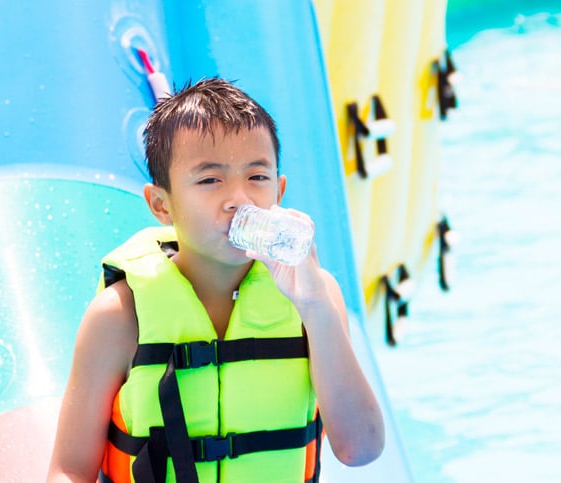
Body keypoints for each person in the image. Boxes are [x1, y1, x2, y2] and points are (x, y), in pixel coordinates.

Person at [47, 78, 384, 483]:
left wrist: (317, 311)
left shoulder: (315, 298)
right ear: (161, 204)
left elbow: (360, 449)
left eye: (257, 178)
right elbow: (69, 469)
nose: (238, 198)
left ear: (279, 191)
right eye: (210, 180)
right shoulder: (119, 316)